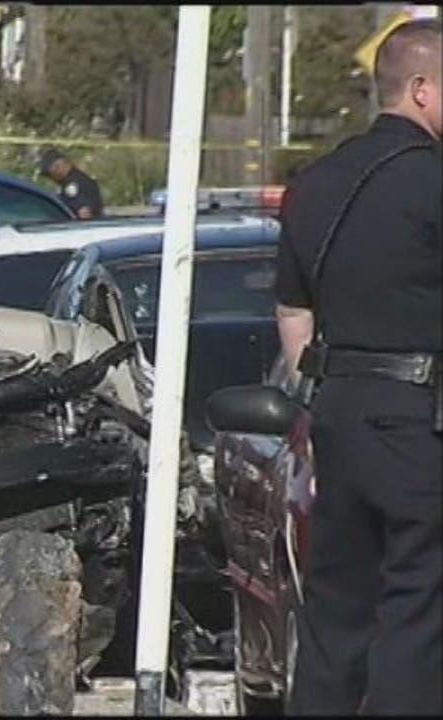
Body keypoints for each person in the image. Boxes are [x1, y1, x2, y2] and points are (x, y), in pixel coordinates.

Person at [273, 18, 441, 716]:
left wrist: (318, 405)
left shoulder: (312, 183)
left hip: (337, 417)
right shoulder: (433, 181)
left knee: (335, 610)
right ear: (423, 88)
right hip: (419, 423)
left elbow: (293, 316)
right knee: (419, 610)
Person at [39, 148, 104, 220]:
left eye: (49, 174)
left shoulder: (73, 185)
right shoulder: (79, 179)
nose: (51, 178)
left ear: (57, 168)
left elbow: (84, 214)